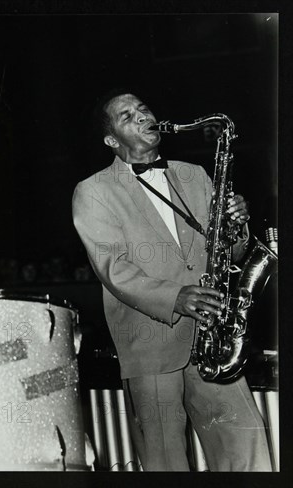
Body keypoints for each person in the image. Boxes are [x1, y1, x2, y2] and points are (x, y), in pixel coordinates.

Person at [72, 89, 271, 471]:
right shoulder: (93, 191)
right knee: (165, 463)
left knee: (246, 449)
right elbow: (114, 269)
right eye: (127, 116)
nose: (142, 116)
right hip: (151, 345)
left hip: (214, 338)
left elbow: (229, 254)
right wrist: (174, 297)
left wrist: (237, 227)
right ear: (111, 141)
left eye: (143, 108)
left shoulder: (194, 174)